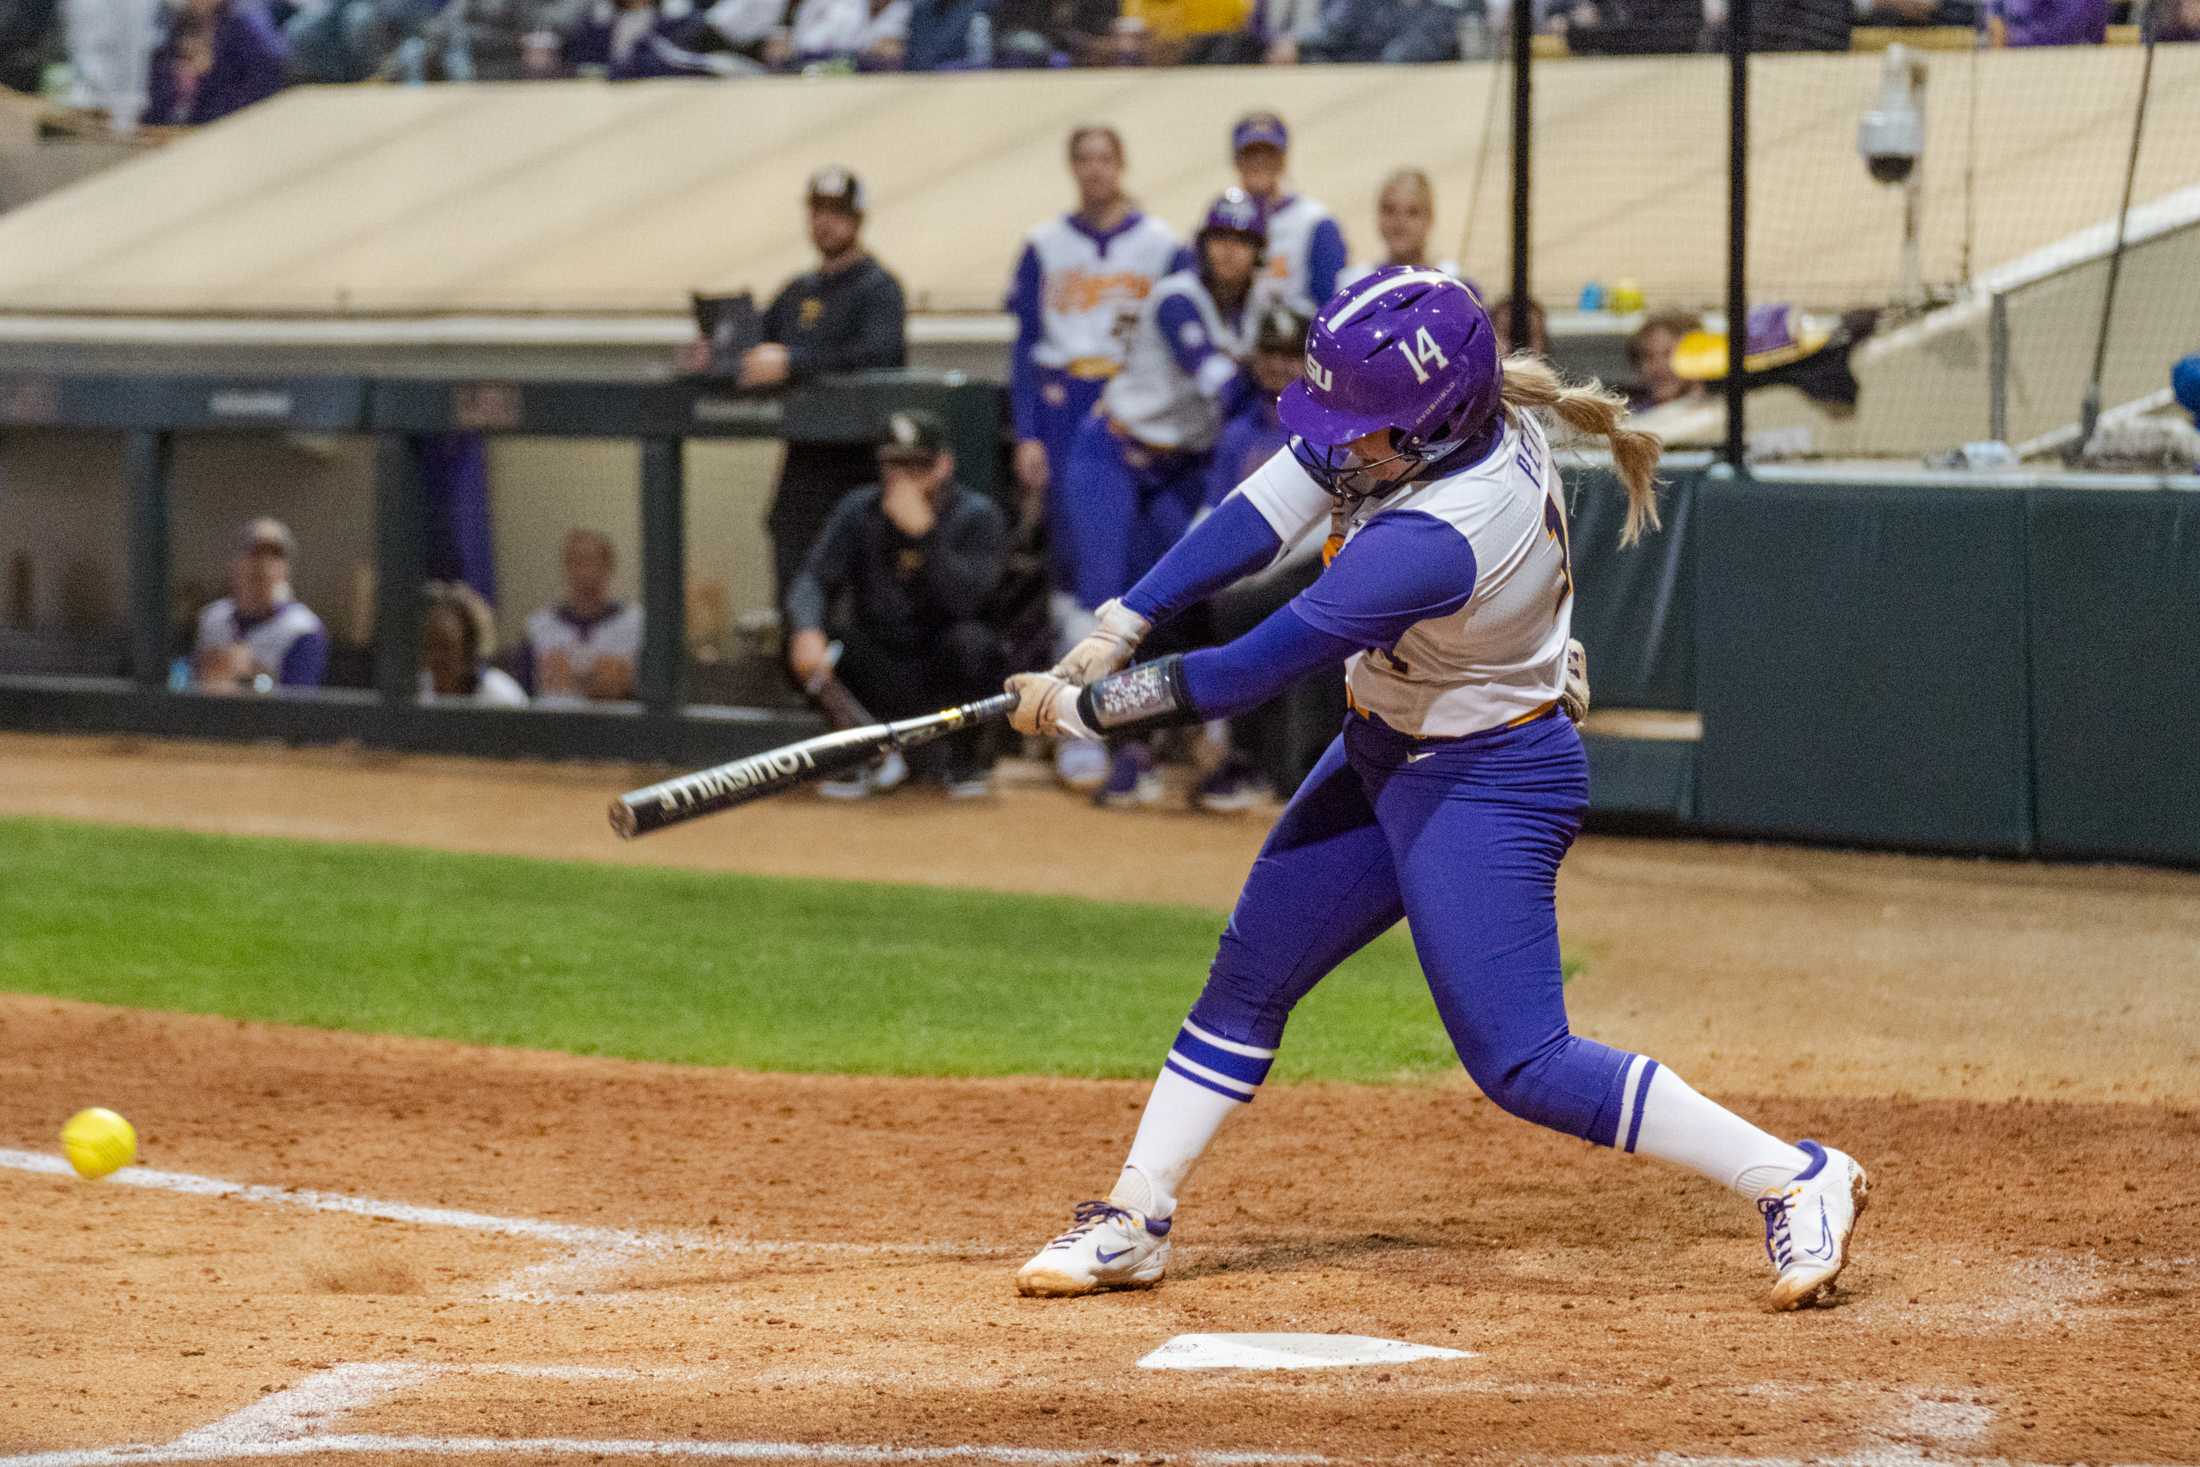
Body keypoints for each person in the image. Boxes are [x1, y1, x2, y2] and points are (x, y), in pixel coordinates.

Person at [999, 268, 1868, 1311]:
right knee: (1247, 979)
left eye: (1361, 426)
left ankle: (1795, 1176)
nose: (1340, 442)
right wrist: (1121, 623)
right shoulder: (1420, 431)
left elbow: (1244, 672)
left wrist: (1081, 710)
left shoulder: (1439, 530)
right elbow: (1259, 509)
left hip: (1486, 782)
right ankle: (1136, 1219)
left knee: (1521, 1061)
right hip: (1387, 748)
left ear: (1431, 424)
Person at [1057, 189, 1275, 805]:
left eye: (1242, 241)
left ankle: (1166, 740)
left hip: (1180, 467)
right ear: (1203, 244)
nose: (1229, 252)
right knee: (1103, 595)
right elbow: (1221, 383)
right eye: (1220, 239)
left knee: (1190, 591)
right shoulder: (1180, 296)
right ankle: (1078, 727)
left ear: (1257, 251)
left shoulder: (1261, 306)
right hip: (1115, 453)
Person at [1004, 125, 1187, 792]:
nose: (1094, 171)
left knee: (1138, 568)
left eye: (1105, 158)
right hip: (1065, 399)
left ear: (1121, 163)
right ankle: (1069, 718)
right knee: (1076, 568)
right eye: (1083, 159)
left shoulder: (1162, 243)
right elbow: (1024, 343)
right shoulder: (1045, 244)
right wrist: (1026, 430)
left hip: (1139, 402)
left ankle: (1136, 726)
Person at [683, 168, 908, 618]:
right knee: (794, 576)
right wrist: (718, 354)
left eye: (838, 213)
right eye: (818, 211)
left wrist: (795, 362)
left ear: (858, 219)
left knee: (862, 591)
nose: (826, 223)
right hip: (803, 462)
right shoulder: (795, 292)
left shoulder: (878, 289)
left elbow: (879, 353)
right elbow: (755, 348)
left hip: (858, 461)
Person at [784, 410, 1008, 799]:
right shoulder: (859, 509)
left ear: (943, 466)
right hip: (881, 656)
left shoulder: (977, 515)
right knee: (806, 642)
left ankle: (962, 761)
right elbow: (813, 579)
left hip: (941, 662)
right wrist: (806, 628)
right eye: (894, 465)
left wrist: (925, 537)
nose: (903, 477)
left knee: (975, 645)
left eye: (917, 466)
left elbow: (967, 601)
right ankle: (870, 754)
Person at [1228, 112, 1347, 318]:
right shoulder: (1220, 221)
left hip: (1296, 345)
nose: (1259, 161)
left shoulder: (1315, 221)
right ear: (1237, 160)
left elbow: (1332, 304)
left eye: (1268, 152)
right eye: (1250, 153)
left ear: (1283, 158)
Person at [191, 518, 328, 693]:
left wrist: (254, 674)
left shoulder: (303, 629)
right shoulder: (212, 617)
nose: (263, 564)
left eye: (275, 556)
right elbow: (190, 681)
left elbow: (299, 708)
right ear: (235, 563)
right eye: (254, 553)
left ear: (286, 569)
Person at [523, 529, 642, 702]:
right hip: (554, 725)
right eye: (576, 561)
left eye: (592, 560)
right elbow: (522, 693)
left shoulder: (637, 624)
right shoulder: (538, 626)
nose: (585, 570)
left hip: (618, 726)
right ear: (566, 566)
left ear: (609, 566)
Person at [144, 0, 286, 126]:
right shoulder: (179, 24)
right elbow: (157, 88)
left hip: (232, 126)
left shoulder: (244, 25)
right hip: (177, 128)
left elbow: (264, 80)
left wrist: (205, 74)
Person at [1338, 168, 1470, 294]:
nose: (1400, 222)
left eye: (1412, 212)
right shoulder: (1353, 285)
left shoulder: (1456, 284)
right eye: (1390, 210)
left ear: (1430, 218)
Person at [420, 581, 528, 707]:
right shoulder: (418, 692)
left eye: (446, 647)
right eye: (429, 646)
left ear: (469, 649)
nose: (435, 657)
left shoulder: (501, 697)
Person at [1624, 309, 1703, 413]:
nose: (1658, 366)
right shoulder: (1633, 416)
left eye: (1668, 354)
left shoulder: (1717, 414)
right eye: (1648, 356)